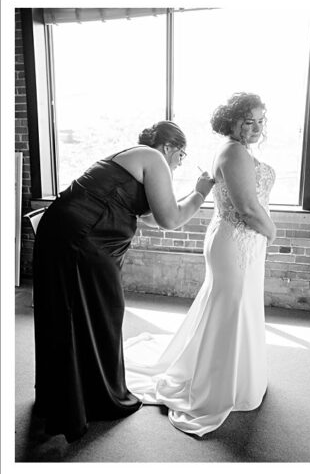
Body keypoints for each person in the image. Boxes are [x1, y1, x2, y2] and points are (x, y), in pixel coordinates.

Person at [33, 121, 215, 441]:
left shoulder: (135, 160)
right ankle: (91, 398)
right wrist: (201, 191)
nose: (179, 162)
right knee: (100, 312)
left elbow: (153, 216)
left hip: (67, 231)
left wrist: (194, 195)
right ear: (169, 147)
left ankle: (73, 395)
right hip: (82, 237)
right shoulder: (152, 158)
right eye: (181, 154)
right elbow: (171, 219)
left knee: (74, 313)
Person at [125, 93, 277, 436]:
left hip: (240, 241)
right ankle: (219, 383)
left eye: (260, 120)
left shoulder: (237, 150)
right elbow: (248, 210)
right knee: (232, 307)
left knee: (234, 306)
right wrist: (272, 231)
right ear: (231, 121)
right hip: (238, 241)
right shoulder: (233, 151)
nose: (255, 127)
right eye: (247, 120)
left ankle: (236, 374)